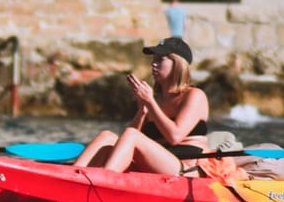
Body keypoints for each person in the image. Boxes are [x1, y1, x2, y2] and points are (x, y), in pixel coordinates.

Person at [74, 37, 209, 174]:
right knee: (107, 137)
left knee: (132, 135)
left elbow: (175, 137)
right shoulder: (156, 100)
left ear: (177, 64)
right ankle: (72, 175)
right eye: (154, 59)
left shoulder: (194, 95)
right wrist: (142, 110)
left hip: (185, 168)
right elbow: (126, 140)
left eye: (160, 59)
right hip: (153, 166)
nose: (153, 64)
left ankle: (104, 178)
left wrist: (150, 102)